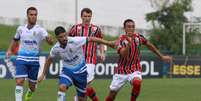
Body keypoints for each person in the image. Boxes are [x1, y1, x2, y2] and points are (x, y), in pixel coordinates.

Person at [38, 26, 114, 101]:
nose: (64, 38)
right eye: (61, 37)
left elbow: (92, 38)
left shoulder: (75, 41)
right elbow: (49, 60)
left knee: (82, 98)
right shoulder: (55, 48)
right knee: (62, 87)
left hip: (81, 71)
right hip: (67, 71)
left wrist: (108, 43)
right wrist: (42, 74)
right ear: (57, 38)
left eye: (65, 35)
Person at [105, 19, 172, 101]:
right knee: (112, 94)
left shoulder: (139, 38)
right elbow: (124, 54)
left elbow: (149, 45)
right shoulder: (120, 41)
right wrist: (129, 43)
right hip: (121, 71)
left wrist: (161, 56)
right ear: (124, 28)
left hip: (134, 69)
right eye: (129, 27)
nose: (131, 29)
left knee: (137, 83)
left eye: (133, 27)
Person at [6, 7, 53, 101]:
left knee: (32, 87)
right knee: (19, 81)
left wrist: (49, 40)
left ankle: (30, 91)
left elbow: (50, 41)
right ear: (27, 16)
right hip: (21, 59)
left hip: (34, 61)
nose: (33, 16)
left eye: (35, 15)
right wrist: (9, 50)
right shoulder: (20, 29)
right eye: (31, 14)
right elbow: (15, 39)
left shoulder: (40, 30)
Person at [68, 8, 105, 101]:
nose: (87, 18)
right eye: (85, 16)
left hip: (90, 60)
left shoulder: (96, 29)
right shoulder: (75, 28)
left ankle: (79, 97)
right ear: (81, 17)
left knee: (85, 83)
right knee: (85, 85)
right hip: (78, 60)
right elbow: (68, 40)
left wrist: (102, 52)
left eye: (89, 16)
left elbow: (101, 41)